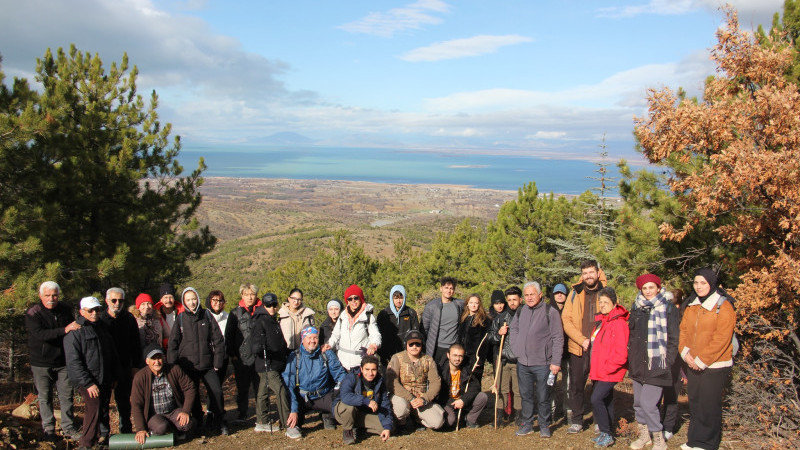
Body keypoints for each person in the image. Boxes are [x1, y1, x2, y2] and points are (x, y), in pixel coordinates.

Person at [679, 268, 735, 450]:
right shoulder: (692, 305)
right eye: (696, 283)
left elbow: (722, 338)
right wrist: (686, 354)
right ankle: (694, 440)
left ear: (711, 283)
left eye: (703, 283)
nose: (699, 286)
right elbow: (683, 332)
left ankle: (708, 443)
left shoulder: (723, 306)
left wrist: (701, 360)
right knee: (695, 401)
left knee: (709, 404)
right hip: (692, 361)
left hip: (715, 364)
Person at [628, 274, 680, 450]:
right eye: (645, 288)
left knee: (649, 404)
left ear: (658, 287)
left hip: (657, 364)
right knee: (638, 404)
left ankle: (658, 438)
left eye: (651, 287)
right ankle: (645, 436)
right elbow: (632, 337)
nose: (648, 291)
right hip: (638, 364)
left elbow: (674, 338)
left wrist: (669, 360)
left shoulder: (668, 308)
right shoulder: (637, 308)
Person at [25, 281, 81, 441]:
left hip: (63, 361)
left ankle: (68, 428)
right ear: (40, 296)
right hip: (41, 362)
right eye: (48, 295)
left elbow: (73, 329)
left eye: (54, 295)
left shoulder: (64, 310)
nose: (51, 298)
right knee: (44, 397)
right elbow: (40, 334)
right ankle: (48, 430)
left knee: (67, 396)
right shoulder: (33, 313)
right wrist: (64, 330)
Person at [167, 287, 227, 435]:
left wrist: (218, 362)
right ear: (184, 302)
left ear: (198, 299)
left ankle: (219, 421)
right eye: (188, 300)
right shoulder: (181, 318)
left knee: (217, 392)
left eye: (193, 298)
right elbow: (173, 344)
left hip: (207, 365)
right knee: (192, 396)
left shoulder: (206, 315)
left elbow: (218, 339)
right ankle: (198, 422)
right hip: (187, 366)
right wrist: (172, 366)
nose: (192, 302)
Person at [64, 296, 121, 450]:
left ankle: (101, 439)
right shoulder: (75, 331)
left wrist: (114, 376)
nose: (95, 313)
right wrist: (88, 383)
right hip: (88, 380)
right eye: (91, 310)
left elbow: (111, 352)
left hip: (105, 377)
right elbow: (74, 362)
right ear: (82, 311)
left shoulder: (102, 327)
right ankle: (86, 443)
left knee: (103, 409)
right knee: (93, 408)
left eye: (97, 309)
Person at [509, 282, 563, 439]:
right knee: (525, 395)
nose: (529, 297)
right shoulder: (521, 311)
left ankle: (544, 425)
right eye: (526, 295)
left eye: (532, 294)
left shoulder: (550, 312)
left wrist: (556, 361)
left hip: (543, 363)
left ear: (540, 295)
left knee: (543, 396)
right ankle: (527, 424)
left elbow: (558, 337)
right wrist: (516, 348)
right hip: (523, 363)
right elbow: (514, 329)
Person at [561, 259, 606, 433]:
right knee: (577, 385)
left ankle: (599, 420)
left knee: (599, 385)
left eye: (591, 272)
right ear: (582, 275)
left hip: (600, 348)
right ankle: (578, 420)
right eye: (585, 273)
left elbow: (613, 316)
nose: (588, 276)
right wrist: (582, 339)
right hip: (579, 347)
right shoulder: (575, 293)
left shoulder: (606, 291)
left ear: (597, 273)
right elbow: (567, 320)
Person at [282, 326, 347, 439]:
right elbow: (289, 383)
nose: (312, 340)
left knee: (343, 410)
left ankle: (328, 416)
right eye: (309, 337)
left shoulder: (326, 354)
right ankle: (293, 424)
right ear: (303, 339)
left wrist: (340, 390)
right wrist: (293, 409)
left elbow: (340, 374)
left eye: (315, 337)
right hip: (302, 397)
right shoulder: (295, 356)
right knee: (287, 400)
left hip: (323, 395)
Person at [130, 344, 196, 445]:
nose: (157, 362)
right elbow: (136, 404)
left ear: (163, 358)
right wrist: (140, 429)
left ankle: (175, 429)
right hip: (154, 415)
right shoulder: (140, 377)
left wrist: (186, 411)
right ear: (147, 361)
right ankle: (165, 430)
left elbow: (190, 388)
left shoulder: (174, 369)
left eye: (159, 358)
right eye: (153, 359)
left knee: (187, 424)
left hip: (173, 411)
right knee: (161, 427)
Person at [589, 287, 629, 448]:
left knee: (596, 398)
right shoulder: (604, 321)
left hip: (609, 371)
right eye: (600, 302)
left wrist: (609, 367)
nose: (603, 305)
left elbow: (621, 352)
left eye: (606, 302)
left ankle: (606, 432)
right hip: (600, 370)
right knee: (607, 400)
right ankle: (607, 432)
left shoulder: (619, 323)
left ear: (614, 303)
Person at [99, 287, 142, 435]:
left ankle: (126, 430)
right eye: (114, 300)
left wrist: (135, 365)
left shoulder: (129, 319)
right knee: (103, 403)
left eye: (121, 300)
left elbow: (136, 344)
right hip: (105, 368)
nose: (117, 303)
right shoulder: (100, 320)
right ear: (107, 301)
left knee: (124, 402)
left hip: (124, 366)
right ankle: (104, 434)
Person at [385, 330, 445, 431]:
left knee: (438, 422)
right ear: (406, 345)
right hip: (402, 397)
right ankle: (401, 422)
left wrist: (425, 399)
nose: (414, 347)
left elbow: (435, 382)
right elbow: (392, 382)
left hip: (420, 400)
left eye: (417, 344)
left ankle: (416, 418)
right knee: (401, 409)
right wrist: (410, 398)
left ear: (422, 345)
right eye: (411, 344)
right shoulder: (397, 358)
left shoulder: (428, 360)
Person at [250, 293, 290, 433]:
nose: (272, 307)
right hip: (267, 363)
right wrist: (262, 346)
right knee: (280, 391)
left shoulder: (271, 319)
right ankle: (287, 423)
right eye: (269, 305)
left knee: (262, 393)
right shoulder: (260, 320)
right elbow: (255, 346)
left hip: (273, 362)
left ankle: (262, 421)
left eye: (274, 304)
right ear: (264, 305)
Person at [333, 355, 393, 444]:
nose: (370, 373)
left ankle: (358, 426)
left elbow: (384, 404)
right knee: (349, 408)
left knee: (387, 427)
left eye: (373, 370)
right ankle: (348, 430)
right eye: (367, 369)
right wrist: (366, 401)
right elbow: (345, 396)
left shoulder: (380, 382)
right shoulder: (351, 377)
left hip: (362, 414)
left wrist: (387, 426)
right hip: (344, 410)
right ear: (361, 369)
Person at [488, 286, 523, 425]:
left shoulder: (525, 315)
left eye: (515, 299)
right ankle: (499, 416)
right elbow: (490, 336)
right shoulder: (501, 317)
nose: (512, 302)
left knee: (518, 389)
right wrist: (498, 334)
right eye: (509, 300)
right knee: (501, 388)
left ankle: (519, 417)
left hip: (519, 359)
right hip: (503, 358)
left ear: (520, 299)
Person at [228, 283, 263, 422]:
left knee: (260, 388)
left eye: (252, 294)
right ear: (242, 295)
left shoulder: (262, 311)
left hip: (259, 357)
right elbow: (229, 336)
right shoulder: (235, 313)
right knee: (242, 388)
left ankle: (261, 415)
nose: (250, 297)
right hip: (242, 358)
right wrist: (233, 355)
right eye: (247, 294)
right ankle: (242, 413)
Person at [326, 284, 381, 371]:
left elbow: (375, 335)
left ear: (361, 298)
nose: (353, 301)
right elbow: (335, 335)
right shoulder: (343, 316)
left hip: (360, 363)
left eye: (356, 298)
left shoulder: (368, 317)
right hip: (342, 363)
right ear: (347, 301)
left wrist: (373, 346)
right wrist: (329, 344)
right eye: (350, 299)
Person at [437, 344, 488, 429]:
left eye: (460, 356)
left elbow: (475, 387)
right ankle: (458, 418)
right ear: (448, 355)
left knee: (482, 397)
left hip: (462, 399)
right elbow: (439, 395)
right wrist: (453, 403)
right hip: (447, 402)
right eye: (455, 355)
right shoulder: (441, 371)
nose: (457, 359)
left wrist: (463, 400)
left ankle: (470, 419)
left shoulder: (466, 369)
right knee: (450, 422)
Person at [421, 276, 464, 367]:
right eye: (446, 288)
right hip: (436, 347)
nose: (449, 291)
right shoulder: (431, 306)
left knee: (451, 375)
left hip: (453, 348)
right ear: (441, 289)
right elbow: (424, 329)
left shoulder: (459, 305)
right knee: (435, 375)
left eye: (451, 288)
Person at [661, 289, 686, 441]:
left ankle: (668, 427)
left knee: (671, 395)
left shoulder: (682, 320)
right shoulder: (659, 317)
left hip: (675, 363)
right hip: (660, 362)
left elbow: (682, 344)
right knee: (658, 396)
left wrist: (683, 371)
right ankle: (658, 425)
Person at [377, 285, 420, 367]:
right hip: (387, 357)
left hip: (407, 356)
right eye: (396, 298)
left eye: (401, 298)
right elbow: (378, 336)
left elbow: (415, 334)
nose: (398, 301)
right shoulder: (383, 314)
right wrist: (382, 354)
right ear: (391, 298)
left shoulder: (411, 313)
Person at [550, 283, 571, 423]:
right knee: (550, 385)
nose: (559, 295)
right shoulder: (548, 310)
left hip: (569, 354)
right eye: (557, 293)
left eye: (562, 293)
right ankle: (550, 412)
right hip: (551, 355)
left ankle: (568, 412)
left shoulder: (572, 309)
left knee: (568, 386)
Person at [206, 290, 233, 399]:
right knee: (212, 386)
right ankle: (210, 411)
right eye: (215, 300)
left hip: (223, 356)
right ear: (209, 301)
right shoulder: (205, 316)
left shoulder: (227, 317)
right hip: (208, 356)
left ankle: (217, 411)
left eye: (220, 300)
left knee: (219, 384)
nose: (218, 303)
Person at [457, 293, 490, 377]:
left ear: (479, 304)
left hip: (475, 356)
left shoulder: (484, 320)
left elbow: (485, 341)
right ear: (467, 304)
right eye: (471, 303)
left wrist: (480, 358)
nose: (473, 305)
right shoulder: (463, 318)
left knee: (473, 381)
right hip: (463, 355)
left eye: (476, 303)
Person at [130, 293, 163, 365]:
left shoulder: (158, 318)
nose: (146, 307)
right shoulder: (133, 320)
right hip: (141, 357)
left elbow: (168, 334)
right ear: (138, 306)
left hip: (158, 354)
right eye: (143, 304)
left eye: (149, 304)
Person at [155, 283, 182, 349]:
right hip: (161, 349)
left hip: (179, 347)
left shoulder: (181, 312)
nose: (168, 300)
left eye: (171, 297)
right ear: (161, 299)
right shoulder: (155, 315)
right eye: (165, 297)